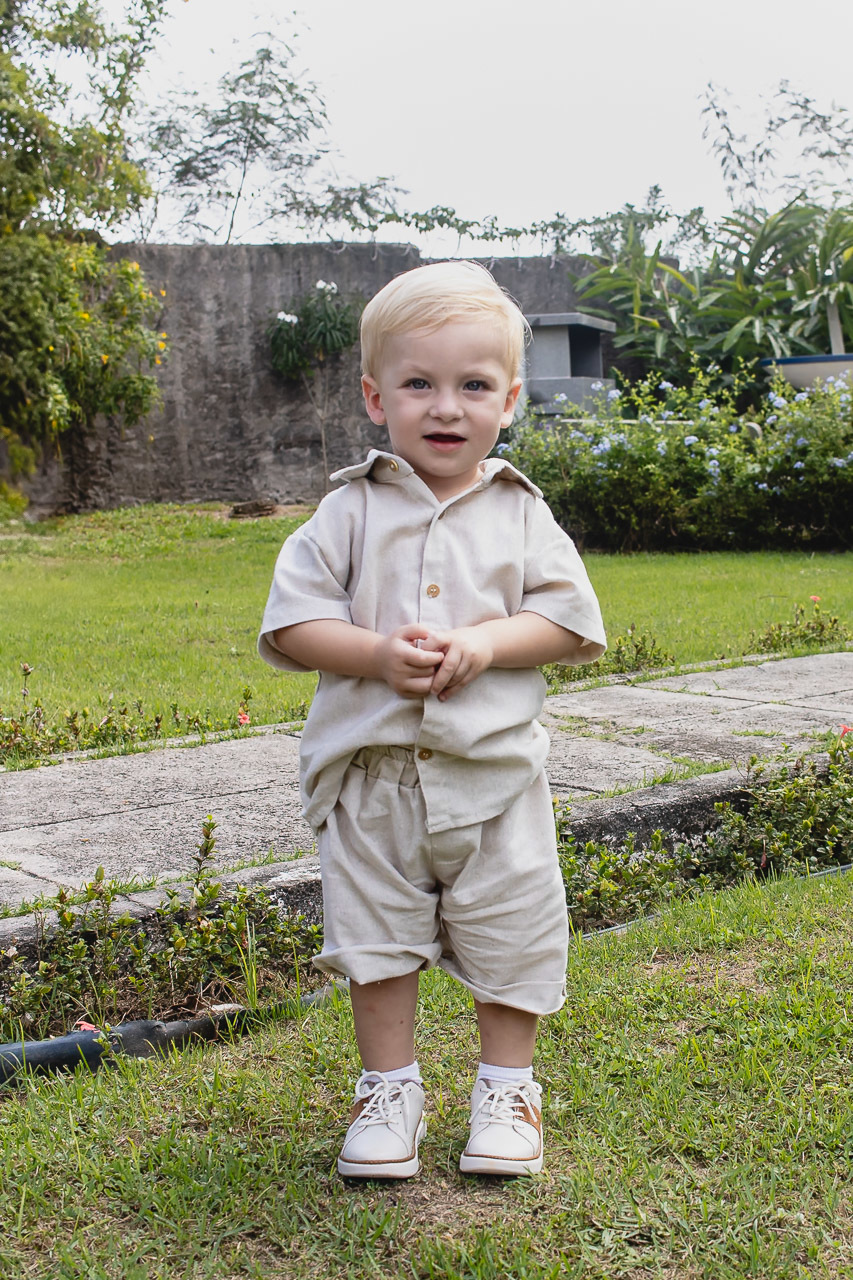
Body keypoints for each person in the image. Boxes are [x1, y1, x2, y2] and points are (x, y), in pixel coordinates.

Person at [258, 260, 606, 1180]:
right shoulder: (346, 509)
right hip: (372, 780)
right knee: (375, 941)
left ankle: (506, 1089)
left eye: (472, 385)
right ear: (377, 398)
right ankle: (389, 1093)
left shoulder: (522, 514)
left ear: (510, 399)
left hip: (494, 782)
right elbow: (292, 623)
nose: (444, 406)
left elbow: (569, 621)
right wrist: (374, 654)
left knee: (514, 930)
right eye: (418, 383)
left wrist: (488, 645)